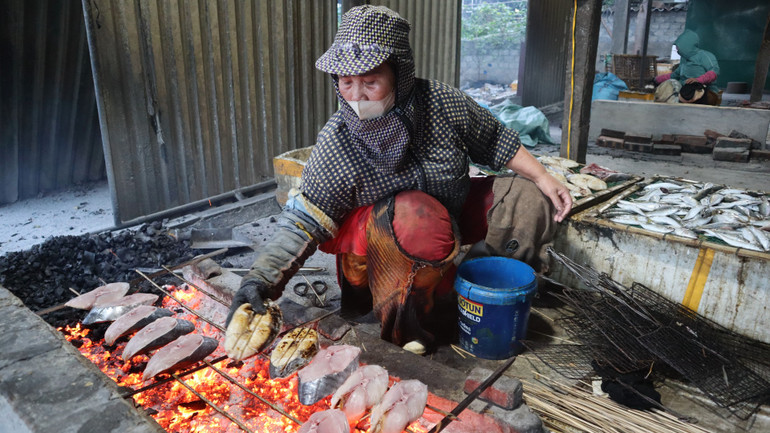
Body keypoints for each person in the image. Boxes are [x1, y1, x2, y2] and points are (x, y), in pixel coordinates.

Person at [225, 5, 572, 355]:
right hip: (388, 232)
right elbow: (303, 219)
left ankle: (482, 292)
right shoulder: (338, 140)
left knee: (528, 198)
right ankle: (409, 325)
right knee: (417, 216)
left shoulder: (442, 103)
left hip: (447, 208)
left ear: (400, 74)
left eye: (370, 82)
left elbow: (494, 140)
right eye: (347, 83)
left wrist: (544, 176)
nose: (357, 95)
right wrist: (260, 281)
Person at [654, 29, 720, 105]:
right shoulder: (684, 60)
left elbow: (714, 72)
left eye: (678, 46)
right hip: (686, 92)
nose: (677, 49)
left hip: (705, 92)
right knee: (671, 84)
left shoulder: (705, 56)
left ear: (686, 45)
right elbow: (674, 75)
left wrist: (698, 80)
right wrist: (656, 79)